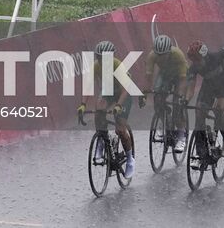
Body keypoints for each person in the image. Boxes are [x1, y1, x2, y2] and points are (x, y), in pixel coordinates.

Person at [78, 39, 136, 177]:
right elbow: (88, 87)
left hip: (123, 94)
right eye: (98, 57)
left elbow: (124, 91)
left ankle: (129, 159)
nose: (101, 60)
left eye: (103, 58)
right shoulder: (96, 66)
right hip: (109, 90)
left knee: (120, 129)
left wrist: (118, 106)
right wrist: (83, 104)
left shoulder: (118, 65)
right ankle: (101, 140)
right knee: (99, 109)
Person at [186, 37, 224, 155]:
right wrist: (185, 100)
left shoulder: (217, 56)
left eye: (197, 59)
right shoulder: (193, 68)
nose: (195, 63)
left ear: (204, 55)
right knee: (199, 114)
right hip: (209, 89)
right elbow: (190, 90)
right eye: (193, 60)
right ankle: (199, 151)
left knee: (218, 110)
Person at [144, 34, 189, 153]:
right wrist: (144, 94)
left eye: (164, 55)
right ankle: (166, 121)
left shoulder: (178, 54)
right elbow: (148, 77)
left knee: (177, 104)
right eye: (159, 55)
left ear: (169, 51)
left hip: (180, 76)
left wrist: (179, 96)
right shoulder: (152, 56)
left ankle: (181, 136)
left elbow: (184, 80)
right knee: (157, 98)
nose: (162, 57)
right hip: (165, 75)